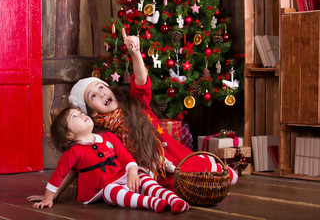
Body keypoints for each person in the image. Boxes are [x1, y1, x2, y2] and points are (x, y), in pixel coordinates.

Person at [68, 28, 238, 191]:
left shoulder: (134, 103)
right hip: (150, 173)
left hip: (174, 157)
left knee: (197, 170)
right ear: (92, 112)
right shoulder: (102, 136)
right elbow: (77, 163)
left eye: (101, 87)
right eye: (93, 96)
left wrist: (135, 53)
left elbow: (141, 82)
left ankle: (216, 170)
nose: (101, 93)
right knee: (178, 186)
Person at [28, 107, 189, 214]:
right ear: (69, 135)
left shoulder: (108, 137)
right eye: (75, 116)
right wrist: (49, 197)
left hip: (123, 176)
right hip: (100, 188)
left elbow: (126, 157)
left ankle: (173, 199)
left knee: (145, 179)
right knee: (111, 191)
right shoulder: (73, 152)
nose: (82, 114)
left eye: (80, 112)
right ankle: (152, 203)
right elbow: (59, 175)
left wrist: (133, 172)